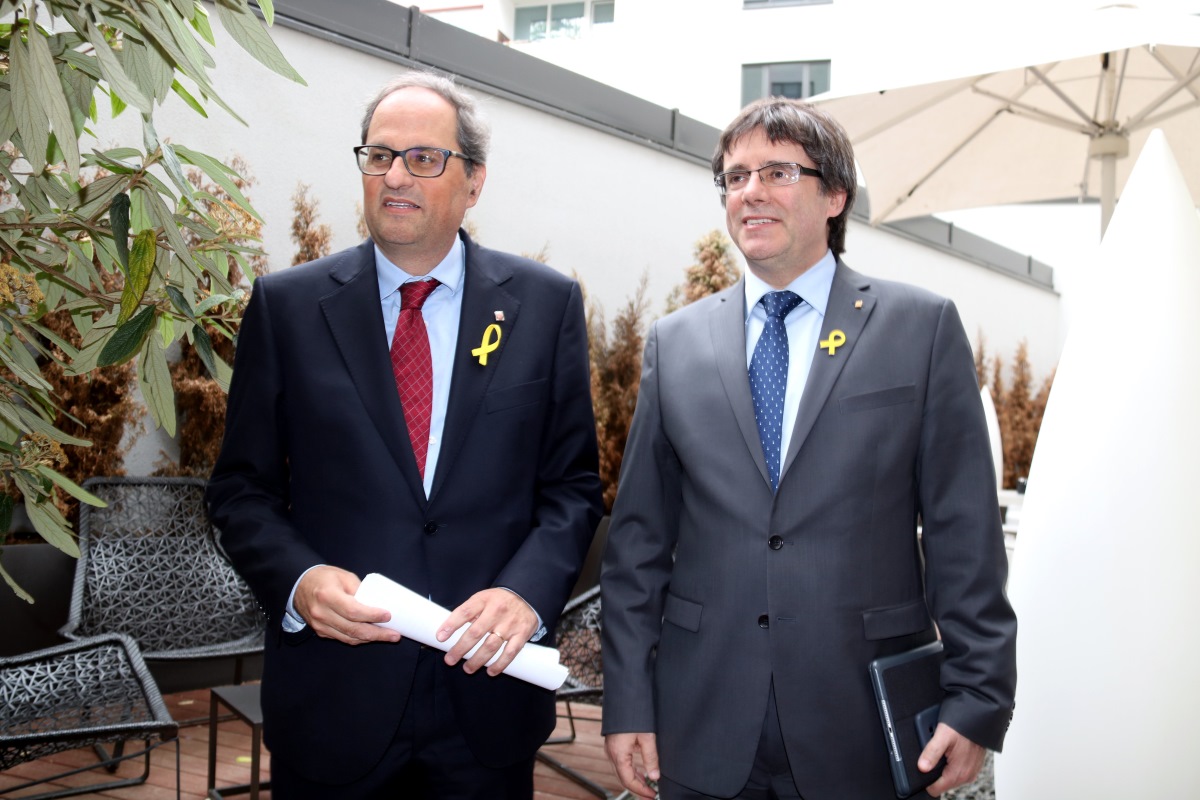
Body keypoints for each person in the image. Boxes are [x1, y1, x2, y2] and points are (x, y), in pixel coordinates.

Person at [600, 97, 1017, 800]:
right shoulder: (676, 343)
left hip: (860, 720)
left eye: (778, 171)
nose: (751, 192)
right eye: (735, 177)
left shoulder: (921, 327)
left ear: (835, 195)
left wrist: (977, 698)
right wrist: (629, 702)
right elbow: (638, 545)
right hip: (698, 721)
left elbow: (964, 535)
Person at [206, 71, 603, 799]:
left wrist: (526, 593)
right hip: (335, 697)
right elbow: (240, 490)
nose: (395, 175)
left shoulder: (545, 307)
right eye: (378, 155)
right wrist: (299, 581)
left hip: (487, 697)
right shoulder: (287, 307)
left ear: (473, 181)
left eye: (424, 158)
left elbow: (573, 489)